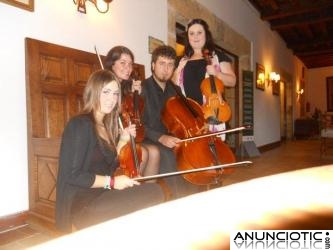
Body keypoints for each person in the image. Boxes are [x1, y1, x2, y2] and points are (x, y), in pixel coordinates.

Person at [55, 70, 164, 232]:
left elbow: (109, 166)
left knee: (152, 191)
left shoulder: (105, 126)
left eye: (115, 93)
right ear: (94, 92)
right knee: (154, 192)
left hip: (102, 193)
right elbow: (72, 175)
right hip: (82, 204)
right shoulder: (79, 124)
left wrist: (123, 139)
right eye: (105, 92)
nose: (111, 98)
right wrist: (112, 182)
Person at [141, 45, 199, 198]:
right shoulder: (141, 88)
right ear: (153, 65)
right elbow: (138, 125)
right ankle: (182, 200)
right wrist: (160, 137)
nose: (166, 69)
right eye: (162, 63)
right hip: (148, 139)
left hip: (171, 138)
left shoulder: (175, 91)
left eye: (170, 64)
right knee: (168, 155)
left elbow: (186, 117)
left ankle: (196, 197)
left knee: (191, 153)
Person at [172, 18, 236, 137]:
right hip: (188, 114)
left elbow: (232, 81)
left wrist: (217, 74)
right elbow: (173, 86)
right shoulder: (180, 60)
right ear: (188, 37)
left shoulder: (218, 56)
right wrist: (178, 69)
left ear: (206, 35)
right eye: (192, 33)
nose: (195, 37)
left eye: (199, 32)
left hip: (211, 113)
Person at [104, 46, 160, 179]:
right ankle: (133, 192)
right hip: (111, 137)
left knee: (155, 152)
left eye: (130, 64)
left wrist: (138, 95)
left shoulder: (126, 87)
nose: (128, 68)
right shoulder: (105, 85)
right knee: (144, 153)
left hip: (127, 134)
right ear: (112, 64)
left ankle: (147, 193)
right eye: (122, 63)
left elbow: (140, 115)